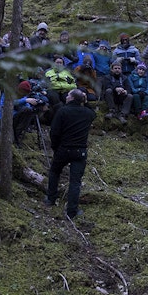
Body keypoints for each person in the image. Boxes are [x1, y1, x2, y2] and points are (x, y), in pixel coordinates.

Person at [44, 89, 96, 219]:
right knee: (75, 181)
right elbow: (93, 114)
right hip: (80, 152)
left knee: (55, 172)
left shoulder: (62, 111)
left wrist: (55, 147)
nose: (66, 97)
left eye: (68, 95)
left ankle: (51, 199)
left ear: (71, 98)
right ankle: (72, 211)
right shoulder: (87, 113)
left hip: (64, 149)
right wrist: (86, 102)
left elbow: (54, 132)